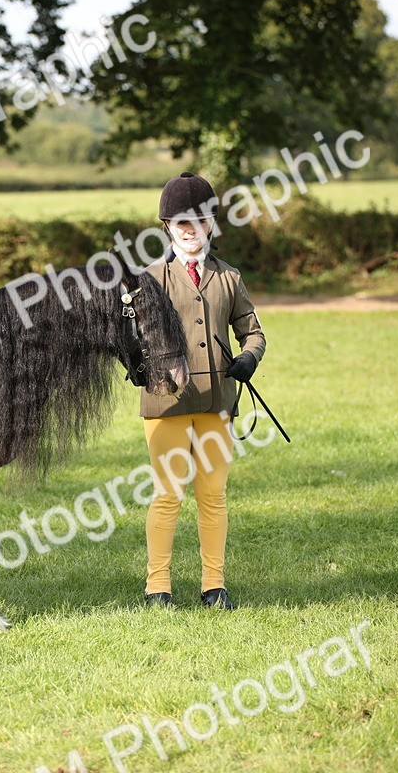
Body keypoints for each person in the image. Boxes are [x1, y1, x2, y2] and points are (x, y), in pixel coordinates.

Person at [141, 172, 266, 610]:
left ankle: (214, 585)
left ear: (212, 223)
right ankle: (159, 587)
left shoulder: (229, 277)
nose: (192, 231)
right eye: (182, 224)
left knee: (213, 495)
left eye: (200, 221)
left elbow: (253, 333)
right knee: (169, 494)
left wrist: (249, 358)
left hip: (217, 402)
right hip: (166, 405)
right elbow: (137, 343)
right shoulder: (150, 279)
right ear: (168, 229)